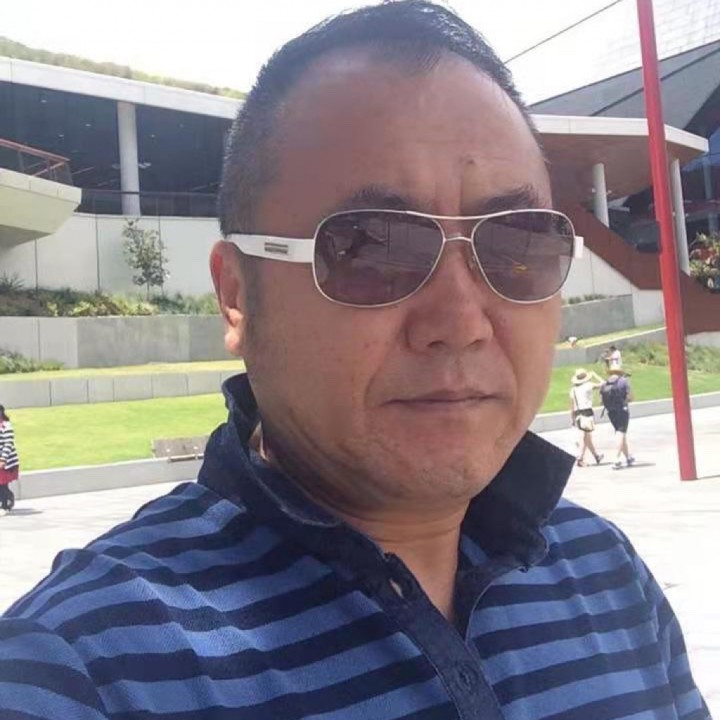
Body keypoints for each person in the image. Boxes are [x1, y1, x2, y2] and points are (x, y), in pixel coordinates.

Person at [0, 3, 709, 718]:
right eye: (371, 247)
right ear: (237, 297)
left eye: (518, 242)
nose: (461, 324)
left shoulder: (607, 575)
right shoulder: (75, 673)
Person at [601, 368, 636, 469]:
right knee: (621, 433)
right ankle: (616, 458)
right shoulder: (623, 381)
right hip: (622, 410)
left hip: (610, 411)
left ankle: (628, 457)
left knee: (620, 432)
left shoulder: (605, 383)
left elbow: (601, 401)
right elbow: (631, 397)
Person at [569, 368, 604, 466]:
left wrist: (572, 419)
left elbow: (572, 406)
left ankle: (596, 456)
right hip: (587, 414)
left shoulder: (573, 390)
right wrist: (594, 374)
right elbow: (603, 383)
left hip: (578, 414)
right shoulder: (588, 385)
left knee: (587, 437)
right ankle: (580, 458)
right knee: (585, 436)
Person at [0, 404, 18, 514]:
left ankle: (5, 505)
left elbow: (8, 443)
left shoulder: (6, 426)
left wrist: (3, 459)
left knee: (2, 484)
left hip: (5, 461)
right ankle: (6, 500)